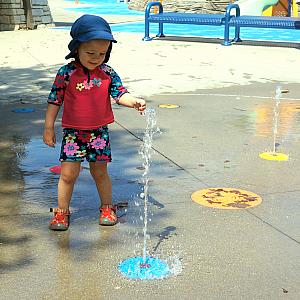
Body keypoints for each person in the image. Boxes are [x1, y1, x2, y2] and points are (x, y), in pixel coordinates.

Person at [43, 14, 146, 231]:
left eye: (102, 53)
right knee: (68, 174)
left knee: (100, 172)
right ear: (76, 48)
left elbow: (120, 94)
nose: (96, 57)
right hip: (73, 134)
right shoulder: (67, 73)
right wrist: (49, 127)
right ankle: (62, 211)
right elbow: (55, 100)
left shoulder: (107, 73)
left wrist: (133, 101)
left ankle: (107, 207)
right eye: (90, 53)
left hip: (99, 133)